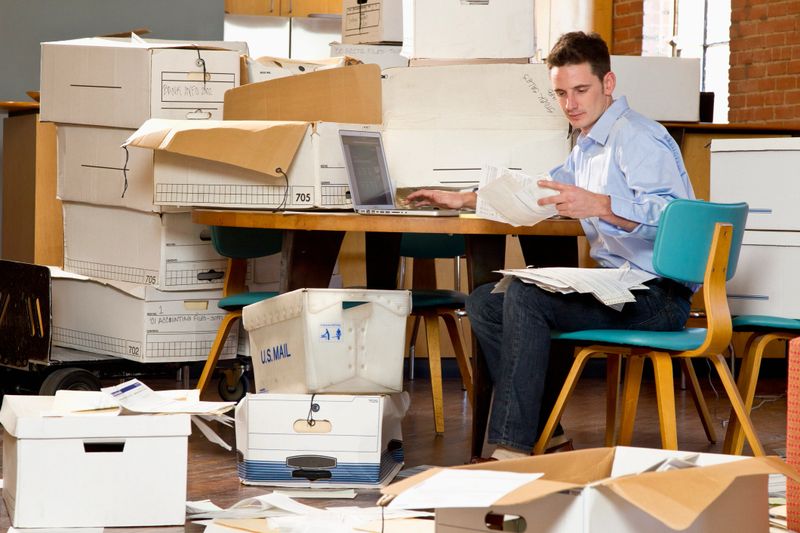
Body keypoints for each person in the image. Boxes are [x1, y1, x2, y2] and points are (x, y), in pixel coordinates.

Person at [406, 31, 696, 460]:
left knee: (525, 295)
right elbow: (540, 191)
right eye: (561, 93)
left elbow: (677, 217)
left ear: (608, 84)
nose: (570, 103)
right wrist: (464, 198)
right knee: (487, 301)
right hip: (622, 286)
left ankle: (510, 449)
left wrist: (601, 204)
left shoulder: (636, 137)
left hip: (660, 296)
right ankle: (548, 433)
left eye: (581, 90)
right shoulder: (588, 144)